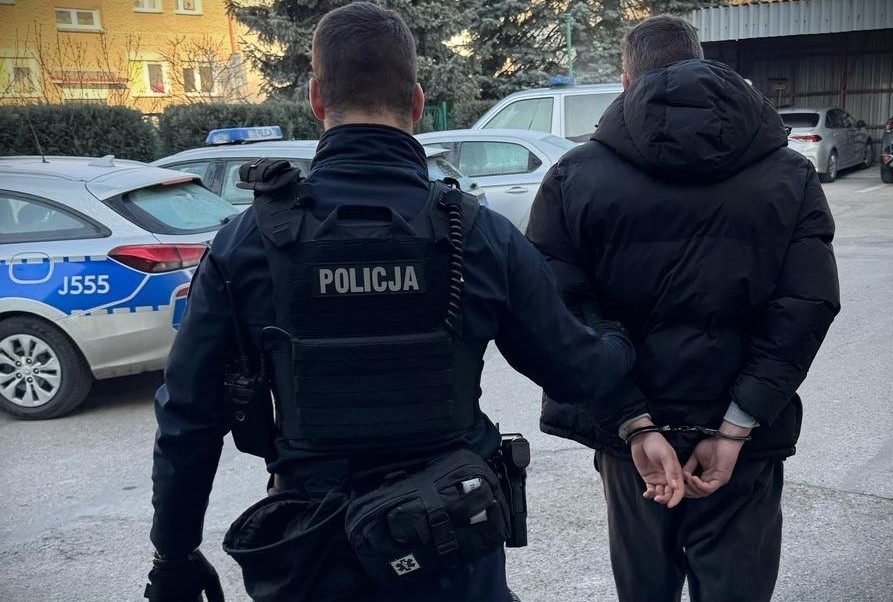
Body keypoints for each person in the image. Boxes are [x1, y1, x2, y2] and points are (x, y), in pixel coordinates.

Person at [144, 4, 683, 602]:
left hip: (313, 549)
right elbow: (577, 371)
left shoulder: (246, 242)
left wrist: (174, 553)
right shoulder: (477, 233)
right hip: (452, 549)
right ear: (418, 102)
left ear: (316, 99)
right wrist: (617, 331)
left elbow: (189, 415)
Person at [526, 14, 841, 602]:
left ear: (627, 83)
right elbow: (806, 307)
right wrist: (737, 425)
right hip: (743, 445)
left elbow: (558, 312)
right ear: (703, 65)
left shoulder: (574, 175)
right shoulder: (790, 174)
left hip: (632, 445)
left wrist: (632, 422)